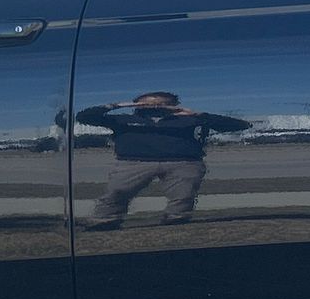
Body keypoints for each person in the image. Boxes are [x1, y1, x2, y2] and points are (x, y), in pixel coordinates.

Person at [77, 91, 249, 227]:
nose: (155, 106)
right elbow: (85, 117)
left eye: (161, 103)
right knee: (117, 191)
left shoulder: (190, 119)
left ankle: (176, 218)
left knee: (184, 194)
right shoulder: (122, 119)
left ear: (173, 105)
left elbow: (239, 125)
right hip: (133, 162)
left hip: (184, 162)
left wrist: (199, 114)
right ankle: (105, 220)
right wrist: (118, 105)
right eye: (147, 103)